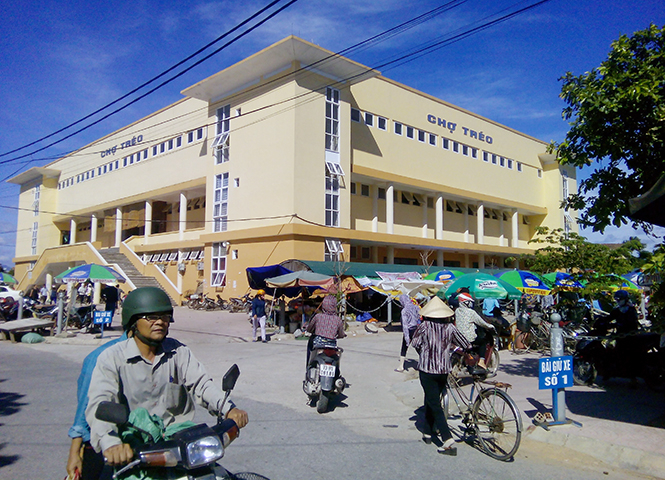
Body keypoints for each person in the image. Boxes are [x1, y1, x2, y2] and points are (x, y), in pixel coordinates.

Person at [85, 287, 248, 467]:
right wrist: (112, 444)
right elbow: (100, 403)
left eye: (165, 317)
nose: (160, 322)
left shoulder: (178, 352)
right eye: (151, 317)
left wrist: (228, 409)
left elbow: (201, 385)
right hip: (134, 451)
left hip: (179, 444)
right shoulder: (112, 358)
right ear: (133, 321)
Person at [410, 296, 471, 455]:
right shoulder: (450, 328)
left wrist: (424, 353)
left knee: (434, 403)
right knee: (431, 399)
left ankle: (447, 438)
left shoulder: (424, 327)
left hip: (427, 371)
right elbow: (465, 344)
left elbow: (415, 343)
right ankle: (427, 432)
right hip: (443, 370)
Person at [66, 332, 128, 480]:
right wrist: (75, 452)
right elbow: (84, 406)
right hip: (104, 448)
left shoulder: (168, 353)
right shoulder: (102, 357)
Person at [454, 293, 496, 370]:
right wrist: (490, 326)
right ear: (467, 302)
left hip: (458, 338)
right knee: (483, 342)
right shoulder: (471, 312)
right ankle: (481, 362)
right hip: (469, 338)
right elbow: (481, 322)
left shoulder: (457, 311)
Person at [305, 295, 346, 368]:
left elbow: (309, 329)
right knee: (336, 358)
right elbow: (341, 334)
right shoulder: (337, 319)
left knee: (310, 344)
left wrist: (309, 329)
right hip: (332, 345)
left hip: (318, 344)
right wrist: (341, 335)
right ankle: (336, 373)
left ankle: (309, 367)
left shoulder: (318, 316)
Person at [395, 294, 421, 372]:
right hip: (416, 329)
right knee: (419, 347)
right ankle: (424, 364)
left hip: (409, 330)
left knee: (404, 348)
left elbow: (405, 325)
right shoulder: (415, 307)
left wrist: (407, 337)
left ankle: (401, 366)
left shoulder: (404, 310)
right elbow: (419, 317)